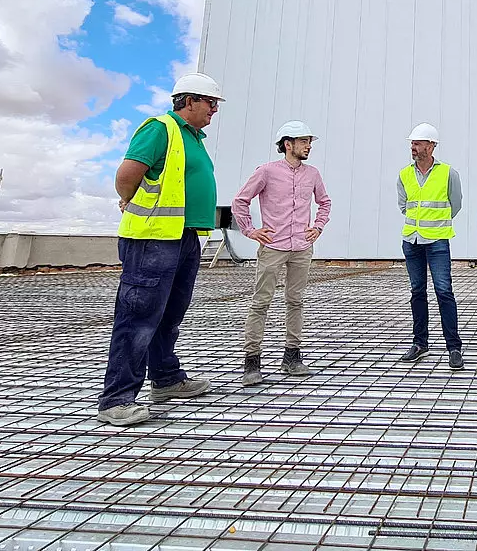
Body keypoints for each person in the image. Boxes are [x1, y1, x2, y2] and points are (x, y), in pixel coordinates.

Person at [98, 72, 223, 426]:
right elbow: (127, 174)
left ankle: (166, 379)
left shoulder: (194, 138)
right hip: (153, 238)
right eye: (210, 103)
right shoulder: (160, 129)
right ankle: (117, 399)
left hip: (183, 236)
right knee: (138, 317)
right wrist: (128, 200)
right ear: (190, 100)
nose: (214, 110)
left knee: (169, 315)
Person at [232, 120, 332, 386]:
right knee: (260, 302)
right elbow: (240, 201)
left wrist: (318, 227)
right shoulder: (266, 172)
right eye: (303, 141)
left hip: (301, 247)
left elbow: (325, 202)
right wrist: (251, 231)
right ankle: (251, 363)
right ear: (288, 144)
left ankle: (292, 358)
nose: (308, 146)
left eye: (309, 141)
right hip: (273, 247)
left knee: (295, 301)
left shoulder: (312, 174)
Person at [397, 123, 464, 369]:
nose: (413, 148)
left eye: (417, 143)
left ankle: (454, 348)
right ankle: (420, 344)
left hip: (437, 241)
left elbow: (455, 204)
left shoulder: (448, 173)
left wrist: (436, 224)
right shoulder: (404, 174)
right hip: (411, 241)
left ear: (431, 145)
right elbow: (404, 205)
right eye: (412, 143)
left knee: (444, 292)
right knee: (417, 293)